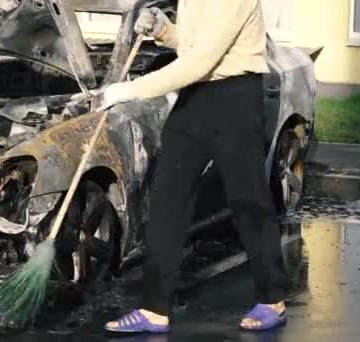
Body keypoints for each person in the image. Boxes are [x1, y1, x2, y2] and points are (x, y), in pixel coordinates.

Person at [89, 0, 288, 334]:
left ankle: (273, 298)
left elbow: (199, 60)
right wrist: (164, 30)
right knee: (167, 198)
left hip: (235, 97)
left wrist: (129, 90)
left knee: (248, 200)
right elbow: (194, 45)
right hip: (196, 97)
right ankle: (154, 309)